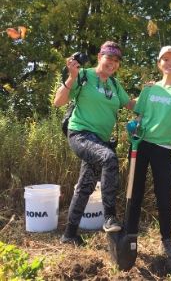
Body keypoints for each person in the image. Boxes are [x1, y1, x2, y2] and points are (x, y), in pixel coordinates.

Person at [54, 41, 136, 246]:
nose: (113, 63)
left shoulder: (115, 85)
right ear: (100, 57)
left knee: (86, 186)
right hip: (80, 134)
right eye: (109, 58)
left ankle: (69, 235)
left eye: (117, 60)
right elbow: (58, 101)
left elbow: (132, 105)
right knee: (108, 158)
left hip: (100, 140)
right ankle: (109, 216)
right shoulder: (84, 75)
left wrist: (151, 94)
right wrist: (71, 77)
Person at [126, 46, 171, 262]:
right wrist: (133, 127)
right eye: (165, 59)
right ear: (159, 63)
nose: (169, 62)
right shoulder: (149, 89)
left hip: (163, 148)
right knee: (134, 193)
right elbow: (139, 115)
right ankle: (130, 239)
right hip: (141, 144)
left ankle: (167, 242)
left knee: (164, 196)